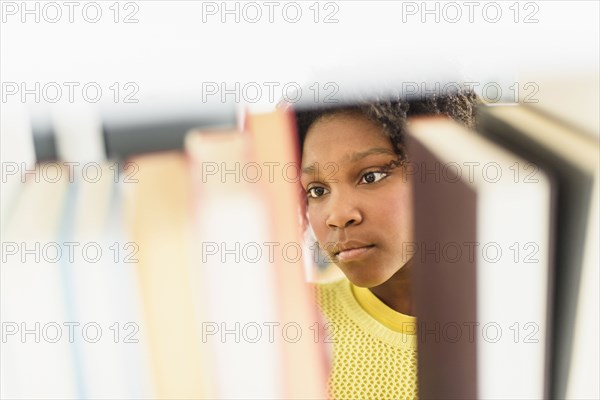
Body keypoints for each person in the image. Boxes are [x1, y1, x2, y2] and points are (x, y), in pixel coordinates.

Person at [294, 89, 479, 399]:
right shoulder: (297, 321)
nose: (337, 216)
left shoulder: (517, 321)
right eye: (317, 190)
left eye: (371, 176)